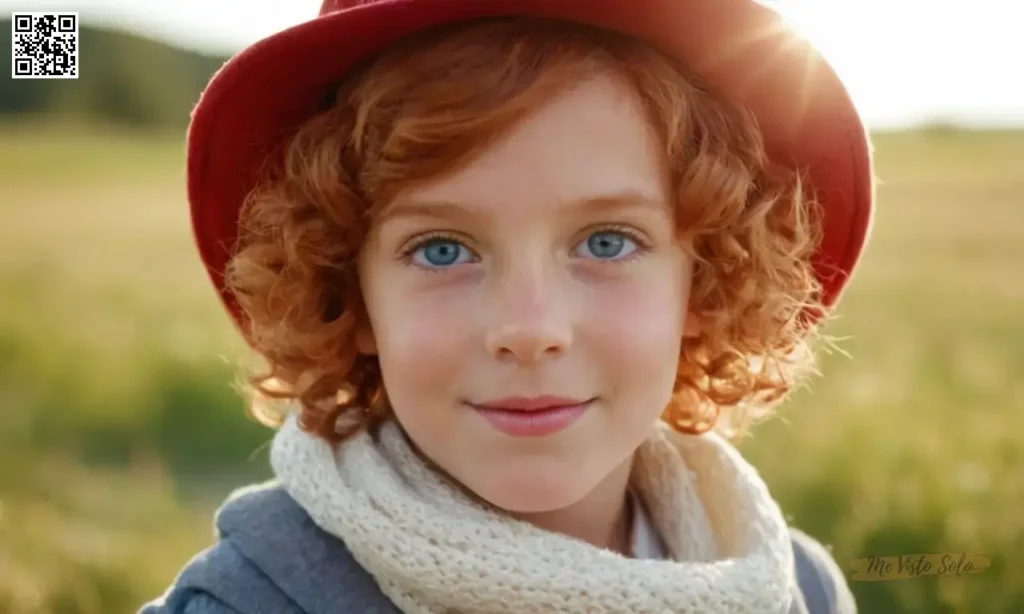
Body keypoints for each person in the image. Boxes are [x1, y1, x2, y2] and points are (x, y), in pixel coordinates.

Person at [142, 0, 873, 612]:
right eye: (442, 250)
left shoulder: (796, 587)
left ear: (706, 277)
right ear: (350, 294)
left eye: (608, 242)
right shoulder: (249, 604)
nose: (529, 331)